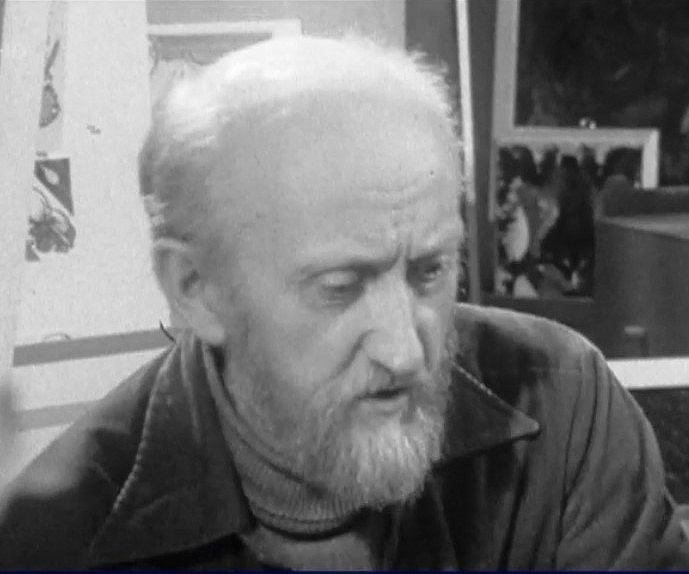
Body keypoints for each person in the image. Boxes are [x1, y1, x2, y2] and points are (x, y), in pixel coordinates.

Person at [0, 35, 687, 570]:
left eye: (429, 271)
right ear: (195, 289)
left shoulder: (562, 401)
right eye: (340, 287)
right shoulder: (53, 540)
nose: (406, 352)